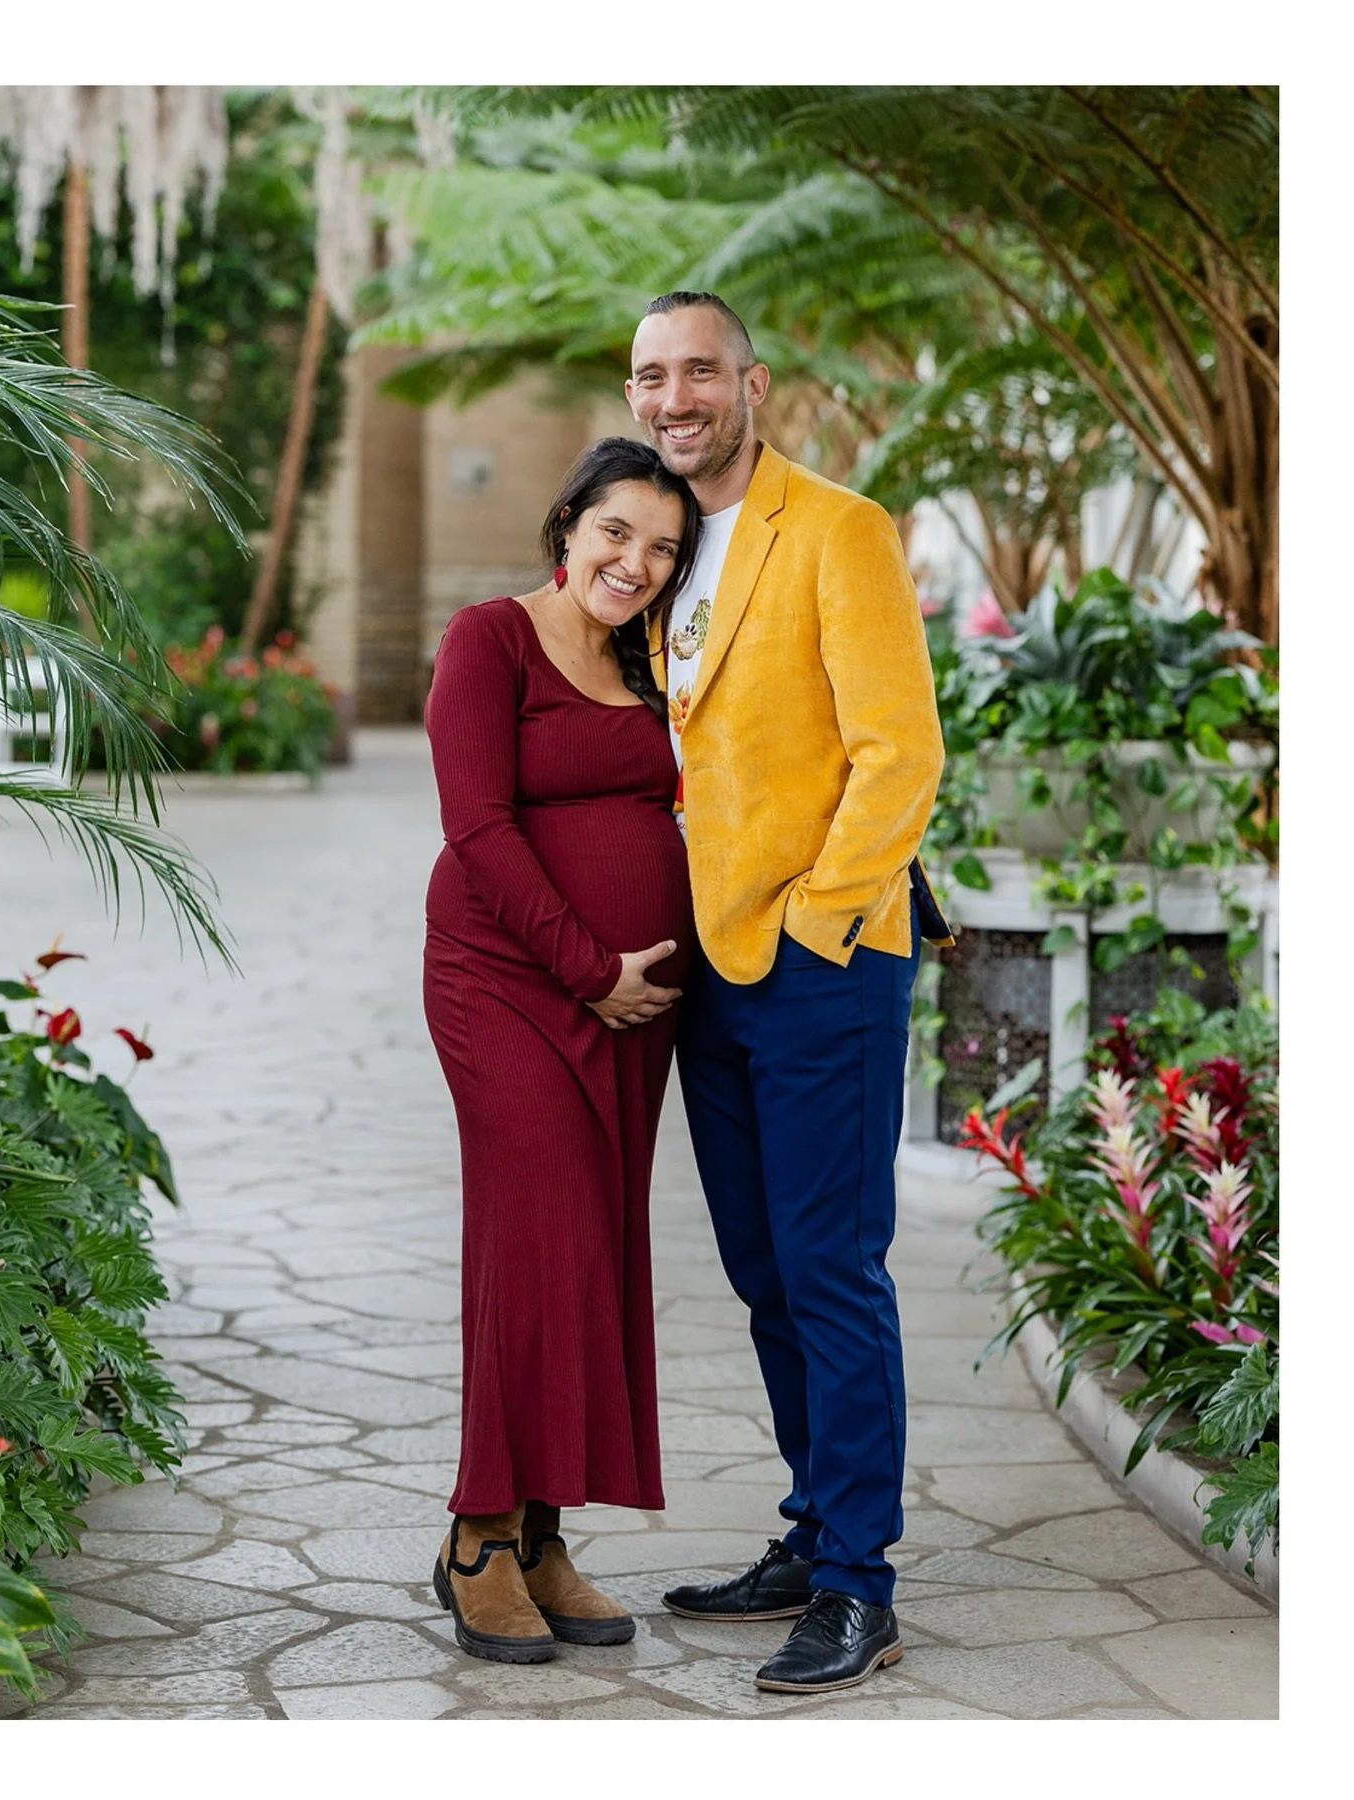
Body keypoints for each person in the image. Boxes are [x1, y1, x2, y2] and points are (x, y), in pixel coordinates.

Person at [625, 291, 955, 1695]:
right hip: (711, 968)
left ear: (751, 384)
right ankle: (816, 1531)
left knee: (831, 1267)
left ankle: (862, 1585)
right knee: (766, 1272)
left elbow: (901, 752)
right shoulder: (657, 542)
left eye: (700, 370)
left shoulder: (837, 530)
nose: (676, 396)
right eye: (652, 375)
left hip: (823, 963)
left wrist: (818, 921)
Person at [422, 436, 701, 1664]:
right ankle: (477, 1534)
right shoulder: (489, 640)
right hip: (509, 984)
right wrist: (592, 971)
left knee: (588, 1251)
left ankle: (541, 1534)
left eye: (663, 550)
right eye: (617, 533)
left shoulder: (651, 663)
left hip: (633, 1011)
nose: (635, 563)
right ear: (570, 525)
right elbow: (478, 828)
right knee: (532, 1242)